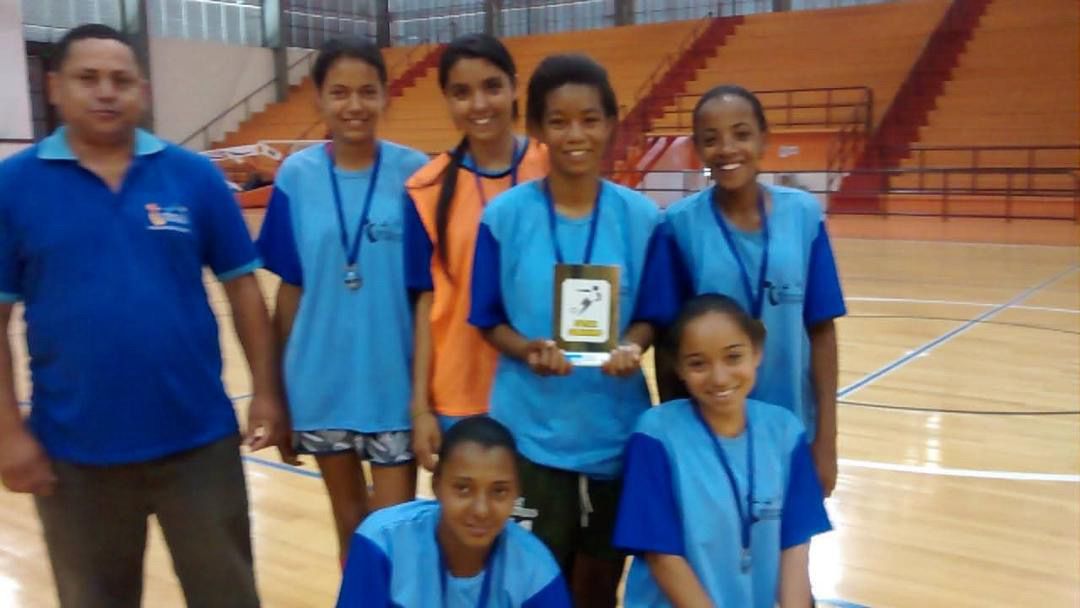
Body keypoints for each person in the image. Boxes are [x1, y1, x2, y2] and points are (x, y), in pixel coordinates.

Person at [0, 23, 288, 607]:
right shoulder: (14, 186)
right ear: (54, 87)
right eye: (88, 79)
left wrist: (266, 391)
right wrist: (7, 433)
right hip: (76, 457)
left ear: (143, 91)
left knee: (228, 597)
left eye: (121, 80)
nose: (106, 91)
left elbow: (244, 292)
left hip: (199, 445)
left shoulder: (195, 177)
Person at [468, 53, 660, 607]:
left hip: (613, 438)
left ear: (610, 123)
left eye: (590, 119)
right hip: (530, 440)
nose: (576, 134)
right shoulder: (504, 218)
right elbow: (486, 318)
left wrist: (634, 344)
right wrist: (526, 349)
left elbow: (653, 312)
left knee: (599, 588)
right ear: (536, 129)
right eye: (559, 121)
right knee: (532, 586)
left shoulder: (642, 219)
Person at [255, 37, 429, 562]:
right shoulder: (296, 176)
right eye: (340, 93)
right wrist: (279, 392)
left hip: (392, 383)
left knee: (392, 532)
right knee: (351, 527)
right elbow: (290, 287)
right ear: (320, 100)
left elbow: (427, 293)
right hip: (321, 381)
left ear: (385, 97)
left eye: (367, 92)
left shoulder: (416, 174)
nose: (354, 106)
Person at [643, 85, 846, 496]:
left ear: (763, 138)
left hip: (792, 427)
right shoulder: (679, 225)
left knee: (785, 551)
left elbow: (822, 331)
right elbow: (668, 345)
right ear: (697, 148)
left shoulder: (804, 215)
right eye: (710, 139)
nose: (727, 148)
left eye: (740, 133)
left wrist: (827, 440)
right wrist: (680, 431)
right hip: (711, 428)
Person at [615, 294, 832, 607]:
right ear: (678, 367)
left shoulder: (785, 433)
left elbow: (795, 550)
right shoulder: (655, 435)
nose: (719, 377)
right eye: (698, 363)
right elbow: (663, 558)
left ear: (757, 351)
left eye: (733, 357)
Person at [404, 33, 548, 471]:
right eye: (461, 93)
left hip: (543, 386)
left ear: (514, 86)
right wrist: (420, 407)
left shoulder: (552, 166)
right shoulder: (425, 189)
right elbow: (426, 302)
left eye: (491, 86)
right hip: (460, 390)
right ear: (446, 100)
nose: (479, 104)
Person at [336, 416, 571, 607]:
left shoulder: (537, 572)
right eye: (463, 489)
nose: (481, 510)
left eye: (499, 491)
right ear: (436, 485)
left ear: (516, 493)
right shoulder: (381, 543)